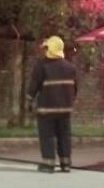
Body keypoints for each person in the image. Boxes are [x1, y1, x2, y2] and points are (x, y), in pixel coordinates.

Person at [26, 35, 78, 173]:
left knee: (47, 135)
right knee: (64, 136)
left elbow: (34, 85)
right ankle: (66, 164)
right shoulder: (70, 67)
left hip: (47, 109)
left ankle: (48, 164)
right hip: (65, 110)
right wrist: (69, 101)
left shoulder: (42, 66)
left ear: (50, 49)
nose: (44, 51)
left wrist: (29, 100)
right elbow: (75, 88)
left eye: (46, 48)